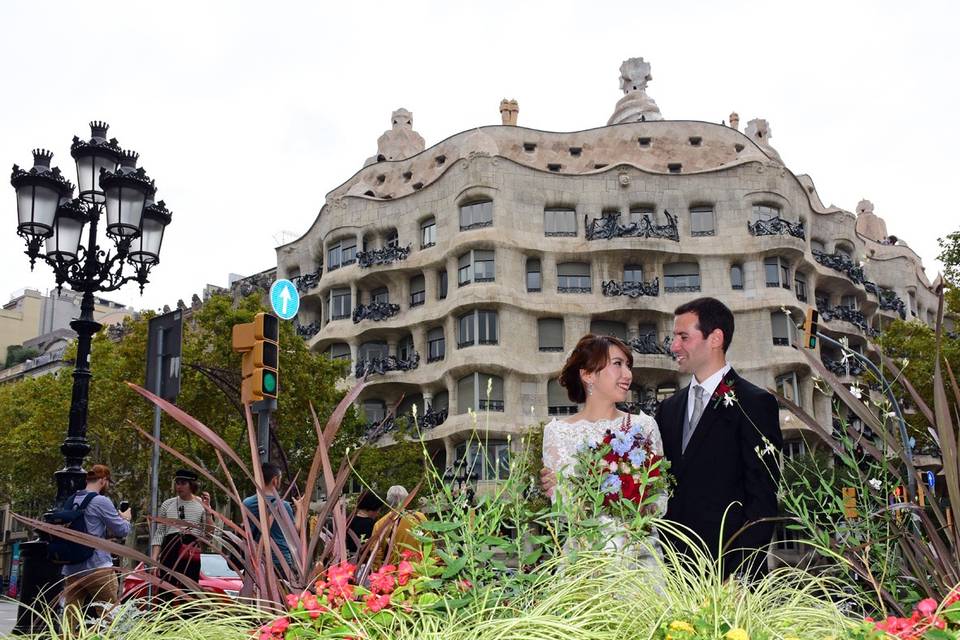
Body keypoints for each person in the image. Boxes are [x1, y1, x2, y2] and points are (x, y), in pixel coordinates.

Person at [655, 297, 782, 579]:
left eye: (683, 337)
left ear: (715, 338)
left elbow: (762, 498)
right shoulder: (668, 408)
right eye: (674, 337)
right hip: (674, 573)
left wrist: (741, 576)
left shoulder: (755, 403)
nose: (674, 346)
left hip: (730, 575)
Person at [540, 334, 666, 569]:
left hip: (639, 558)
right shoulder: (557, 432)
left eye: (628, 366)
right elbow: (563, 512)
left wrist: (639, 498)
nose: (627, 374)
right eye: (617, 364)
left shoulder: (645, 426)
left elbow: (660, 499)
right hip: (586, 559)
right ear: (588, 374)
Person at [61, 464, 131, 620]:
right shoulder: (101, 501)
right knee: (109, 617)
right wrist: (126, 518)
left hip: (72, 569)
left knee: (70, 618)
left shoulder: (72, 499)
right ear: (103, 480)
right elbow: (122, 530)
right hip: (97, 567)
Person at [152, 469, 211, 595]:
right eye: (177, 483)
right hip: (170, 550)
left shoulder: (201, 505)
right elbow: (159, 533)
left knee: (190, 592)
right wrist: (154, 560)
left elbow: (209, 534)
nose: (179, 486)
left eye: (183, 483)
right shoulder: (167, 504)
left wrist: (208, 512)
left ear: (192, 485)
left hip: (190, 552)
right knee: (165, 590)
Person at [242, 462, 296, 570]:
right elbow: (294, 532)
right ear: (275, 480)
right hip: (280, 560)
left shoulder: (246, 503)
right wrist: (301, 509)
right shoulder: (283, 506)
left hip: (256, 559)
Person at [370, 485, 427, 567]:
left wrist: (380, 572)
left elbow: (376, 553)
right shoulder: (419, 518)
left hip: (392, 573)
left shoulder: (380, 524)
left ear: (388, 500)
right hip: (418, 571)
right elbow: (430, 544)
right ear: (408, 498)